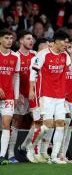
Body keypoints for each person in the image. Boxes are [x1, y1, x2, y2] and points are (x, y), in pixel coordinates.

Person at [27, 30, 72, 164]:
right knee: (47, 126)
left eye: (67, 42)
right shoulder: (43, 54)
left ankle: (55, 156)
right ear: (56, 41)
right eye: (64, 41)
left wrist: (71, 53)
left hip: (61, 96)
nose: (66, 44)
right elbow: (33, 72)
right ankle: (30, 147)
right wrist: (31, 89)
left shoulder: (65, 55)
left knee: (61, 124)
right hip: (46, 96)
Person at [8, 30, 36, 163]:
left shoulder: (35, 56)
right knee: (16, 122)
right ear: (21, 41)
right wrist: (16, 92)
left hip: (33, 94)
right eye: (28, 39)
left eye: (32, 39)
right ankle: (10, 153)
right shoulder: (15, 56)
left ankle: (24, 146)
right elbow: (11, 77)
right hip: (19, 95)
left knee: (40, 121)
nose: (31, 41)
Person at [0, 29, 20, 165]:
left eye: (11, 38)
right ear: (0, 39)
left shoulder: (15, 57)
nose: (9, 40)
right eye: (6, 38)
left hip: (8, 96)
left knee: (6, 124)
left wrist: (16, 95)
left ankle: (1, 156)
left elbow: (16, 77)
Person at [59, 40, 72, 162]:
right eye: (66, 47)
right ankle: (58, 154)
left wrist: (71, 54)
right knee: (63, 124)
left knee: (68, 129)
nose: (68, 48)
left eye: (70, 47)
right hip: (62, 98)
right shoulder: (60, 60)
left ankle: (63, 154)